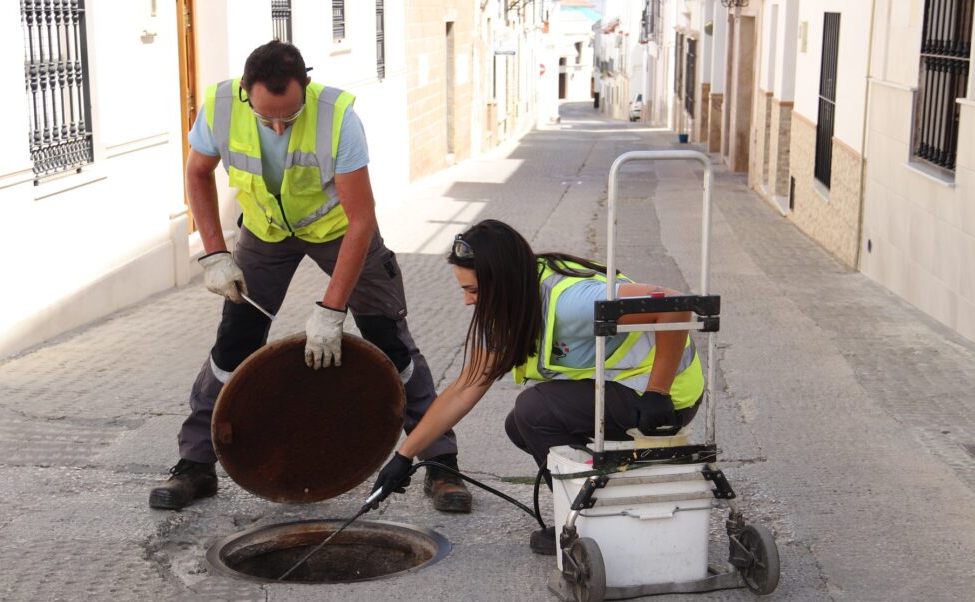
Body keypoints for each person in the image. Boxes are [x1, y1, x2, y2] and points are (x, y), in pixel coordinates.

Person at [149, 40, 472, 513]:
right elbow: (198, 173)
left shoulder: (338, 116)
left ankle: (442, 465)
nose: (279, 127)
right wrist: (214, 255)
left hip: (339, 231)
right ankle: (195, 465)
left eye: (289, 117)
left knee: (391, 343)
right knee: (233, 344)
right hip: (266, 231)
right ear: (245, 92)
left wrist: (331, 309)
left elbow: (361, 218)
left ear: (306, 85)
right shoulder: (218, 105)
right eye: (267, 119)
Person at [370, 219, 704, 554]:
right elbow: (464, 388)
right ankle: (594, 506)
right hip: (620, 390)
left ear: (504, 282)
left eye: (473, 291)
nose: (468, 302)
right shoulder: (508, 307)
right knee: (520, 424)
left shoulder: (572, 301)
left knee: (533, 411)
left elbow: (673, 304)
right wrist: (404, 457)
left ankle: (589, 518)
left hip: (663, 399)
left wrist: (658, 392)